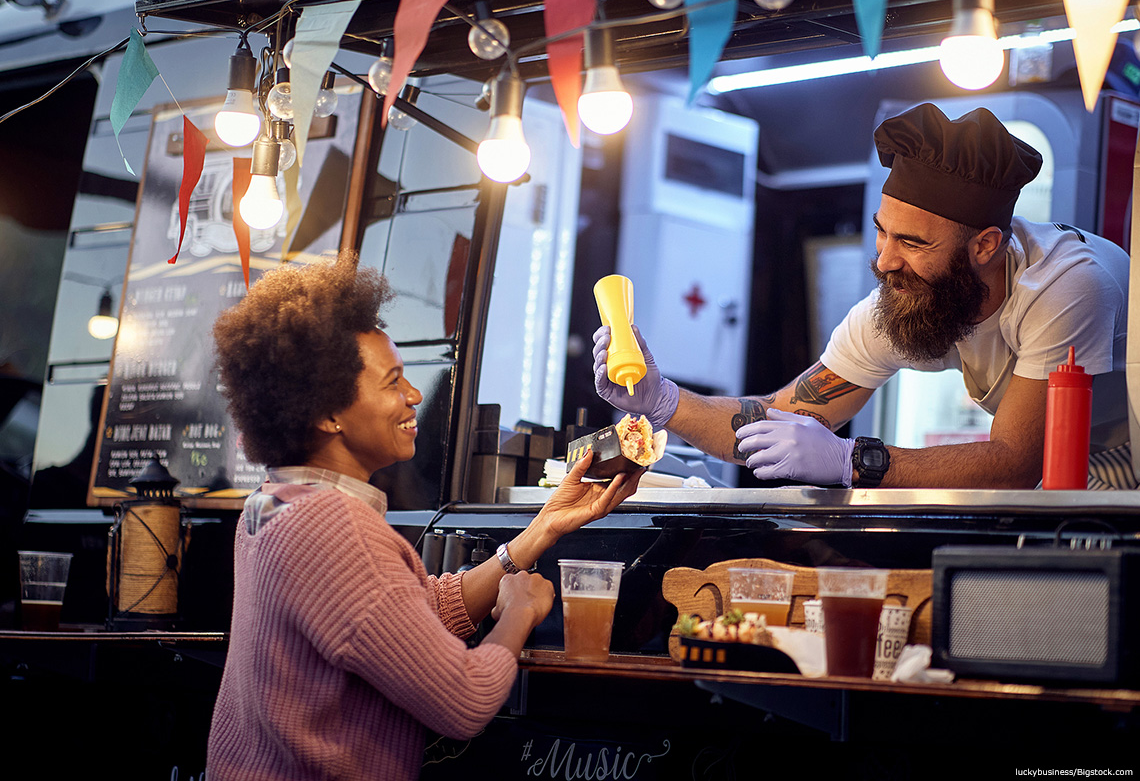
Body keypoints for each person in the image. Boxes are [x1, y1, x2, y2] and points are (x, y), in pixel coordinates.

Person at [207, 253, 643, 780]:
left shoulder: (275, 503)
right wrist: (519, 613)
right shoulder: (330, 527)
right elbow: (463, 700)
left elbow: (405, 619)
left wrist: (540, 529)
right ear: (326, 415)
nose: (414, 396)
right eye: (393, 382)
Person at [594, 102, 1133, 490]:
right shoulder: (898, 304)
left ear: (986, 246)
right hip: (1061, 478)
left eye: (913, 242)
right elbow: (776, 417)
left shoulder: (1065, 285)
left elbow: (1016, 462)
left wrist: (857, 461)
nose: (885, 260)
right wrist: (664, 400)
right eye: (883, 232)